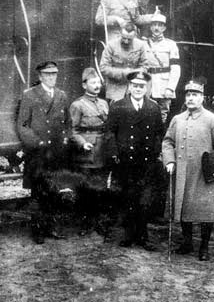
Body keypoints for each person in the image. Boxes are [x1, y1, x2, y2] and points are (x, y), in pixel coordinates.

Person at [162, 80, 214, 261]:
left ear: (202, 98)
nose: (191, 98)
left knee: (205, 212)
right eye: (188, 95)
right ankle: (187, 243)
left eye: (195, 95)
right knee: (184, 209)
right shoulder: (177, 119)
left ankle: (204, 247)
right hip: (183, 173)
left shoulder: (212, 119)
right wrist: (169, 160)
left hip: (204, 173)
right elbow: (167, 142)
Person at [107, 70, 164, 250]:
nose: (138, 89)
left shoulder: (153, 107)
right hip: (126, 161)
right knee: (128, 198)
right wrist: (114, 153)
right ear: (129, 87)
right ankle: (128, 235)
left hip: (146, 161)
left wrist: (156, 153)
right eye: (135, 86)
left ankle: (143, 236)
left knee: (144, 199)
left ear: (146, 87)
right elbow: (110, 132)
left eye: (142, 86)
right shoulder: (118, 106)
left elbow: (158, 133)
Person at [17, 61, 70, 244]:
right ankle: (38, 230)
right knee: (38, 193)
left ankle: (52, 228)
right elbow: (22, 125)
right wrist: (36, 141)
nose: (51, 77)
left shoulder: (62, 95)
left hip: (56, 153)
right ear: (40, 77)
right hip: (38, 153)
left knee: (54, 191)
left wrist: (65, 139)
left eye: (54, 74)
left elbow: (67, 123)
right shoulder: (29, 95)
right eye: (47, 74)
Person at [69, 67, 109, 235]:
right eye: (93, 82)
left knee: (100, 188)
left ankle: (98, 222)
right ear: (84, 85)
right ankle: (85, 223)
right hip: (86, 153)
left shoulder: (104, 103)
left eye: (98, 82)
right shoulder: (77, 105)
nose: (97, 85)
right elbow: (72, 130)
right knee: (85, 189)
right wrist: (82, 143)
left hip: (102, 151)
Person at [99, 22, 150, 102]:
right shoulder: (111, 45)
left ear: (135, 35)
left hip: (134, 88)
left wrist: (134, 73)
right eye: (124, 38)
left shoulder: (141, 45)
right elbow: (103, 67)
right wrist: (123, 73)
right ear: (120, 34)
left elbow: (145, 66)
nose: (126, 41)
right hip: (115, 88)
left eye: (129, 39)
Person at [146, 7, 181, 124]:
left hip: (163, 85)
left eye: (160, 25)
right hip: (147, 84)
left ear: (164, 28)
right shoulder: (143, 43)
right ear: (150, 27)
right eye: (154, 25)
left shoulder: (171, 45)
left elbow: (175, 68)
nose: (157, 28)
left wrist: (170, 88)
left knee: (162, 116)